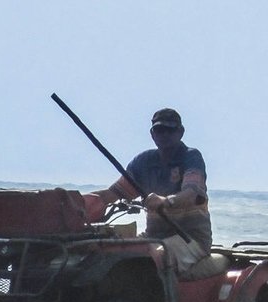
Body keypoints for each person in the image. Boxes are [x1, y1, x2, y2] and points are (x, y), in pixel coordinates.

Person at [84, 108, 213, 253]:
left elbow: (193, 194)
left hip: (190, 240)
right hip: (154, 236)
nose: (164, 134)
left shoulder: (191, 157)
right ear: (152, 133)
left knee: (152, 256)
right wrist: (78, 201)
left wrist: (166, 201)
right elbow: (112, 194)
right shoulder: (144, 162)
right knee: (108, 250)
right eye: (159, 130)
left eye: (170, 130)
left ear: (180, 132)